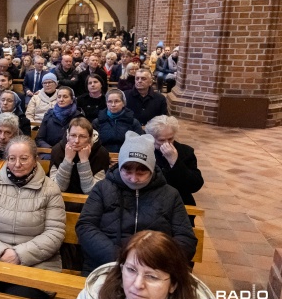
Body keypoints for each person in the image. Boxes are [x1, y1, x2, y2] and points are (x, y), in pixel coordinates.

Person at [76, 131, 198, 275]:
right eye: (127, 171)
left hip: (155, 268)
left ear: (152, 169)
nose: (133, 179)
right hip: (107, 265)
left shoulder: (170, 195)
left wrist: (154, 261)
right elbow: (85, 226)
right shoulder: (103, 188)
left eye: (141, 172)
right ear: (120, 166)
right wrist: (120, 259)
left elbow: (186, 238)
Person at [0, 135, 65, 299]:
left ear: (35, 159)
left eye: (24, 158)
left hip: (35, 263)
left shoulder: (50, 189)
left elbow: (54, 234)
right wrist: (1, 252)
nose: (17, 164)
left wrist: (19, 254)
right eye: (12, 158)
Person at [64, 230, 220, 299]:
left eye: (152, 276)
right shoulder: (94, 297)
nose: (138, 285)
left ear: (173, 284)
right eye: (131, 270)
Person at [145, 115, 204, 207]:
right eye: (161, 140)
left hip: (178, 202)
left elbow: (195, 185)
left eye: (170, 139)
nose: (167, 143)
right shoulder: (145, 151)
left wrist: (175, 162)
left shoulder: (186, 152)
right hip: (151, 202)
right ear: (151, 138)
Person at [50, 117, 110, 195]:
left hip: (91, 203)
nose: (76, 141)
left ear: (90, 138)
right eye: (73, 135)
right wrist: (67, 160)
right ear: (68, 136)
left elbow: (91, 191)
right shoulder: (57, 150)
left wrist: (84, 161)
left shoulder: (101, 153)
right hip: (61, 200)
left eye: (82, 136)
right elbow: (57, 188)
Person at [35, 87, 85, 154]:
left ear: (72, 100)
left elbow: (80, 140)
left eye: (65, 97)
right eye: (59, 97)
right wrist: (51, 150)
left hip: (70, 152)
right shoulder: (49, 115)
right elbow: (39, 139)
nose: (61, 100)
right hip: (49, 152)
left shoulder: (78, 117)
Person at [92, 89, 144, 153]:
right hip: (103, 156)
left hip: (127, 157)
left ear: (123, 103)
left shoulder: (133, 122)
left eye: (117, 101)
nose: (113, 105)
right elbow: (93, 144)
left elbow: (139, 144)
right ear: (106, 103)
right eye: (110, 102)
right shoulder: (97, 122)